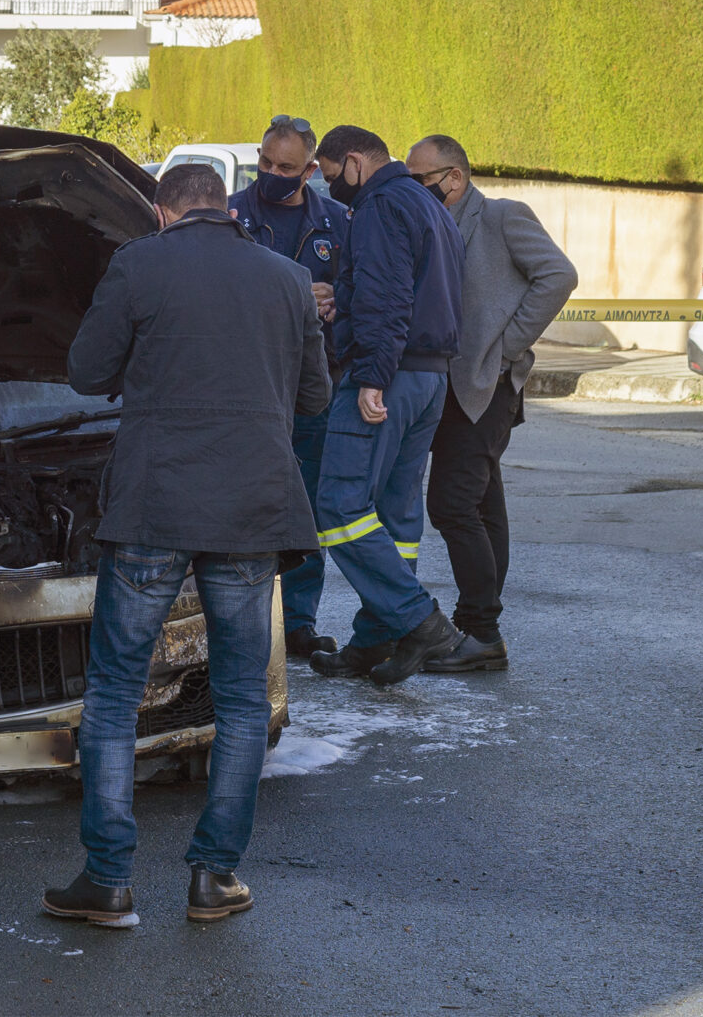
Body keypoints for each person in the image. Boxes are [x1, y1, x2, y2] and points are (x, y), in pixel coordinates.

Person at [46, 163, 330, 929]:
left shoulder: (140, 262)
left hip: (153, 505)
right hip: (251, 510)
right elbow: (315, 399)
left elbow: (86, 371)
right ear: (226, 206)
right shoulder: (288, 277)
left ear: (164, 212)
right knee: (240, 699)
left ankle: (107, 881)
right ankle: (214, 877)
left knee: (113, 693)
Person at [406, 136, 577, 673]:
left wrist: (507, 346)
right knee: (483, 505)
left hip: (484, 385)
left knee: (452, 506)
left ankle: (482, 631)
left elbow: (559, 275)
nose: (416, 188)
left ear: (454, 178)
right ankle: (477, 627)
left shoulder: (503, 217)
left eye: (422, 179)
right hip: (448, 384)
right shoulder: (434, 223)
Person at [308, 126, 466, 687]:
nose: (330, 190)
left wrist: (372, 375)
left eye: (330, 177)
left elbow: (387, 294)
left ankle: (420, 623)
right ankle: (379, 639)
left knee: (339, 507)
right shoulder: (429, 204)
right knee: (397, 516)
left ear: (353, 163)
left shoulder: (377, 205)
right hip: (428, 378)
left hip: (388, 376)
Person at [226, 114, 347, 659]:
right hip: (245, 380)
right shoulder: (228, 215)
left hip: (312, 381)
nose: (273, 173)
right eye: (266, 163)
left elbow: (365, 293)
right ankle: (237, 620)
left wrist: (334, 302)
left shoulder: (337, 221)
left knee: (307, 501)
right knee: (238, 500)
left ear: (310, 169)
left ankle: (298, 621)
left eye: (287, 167)